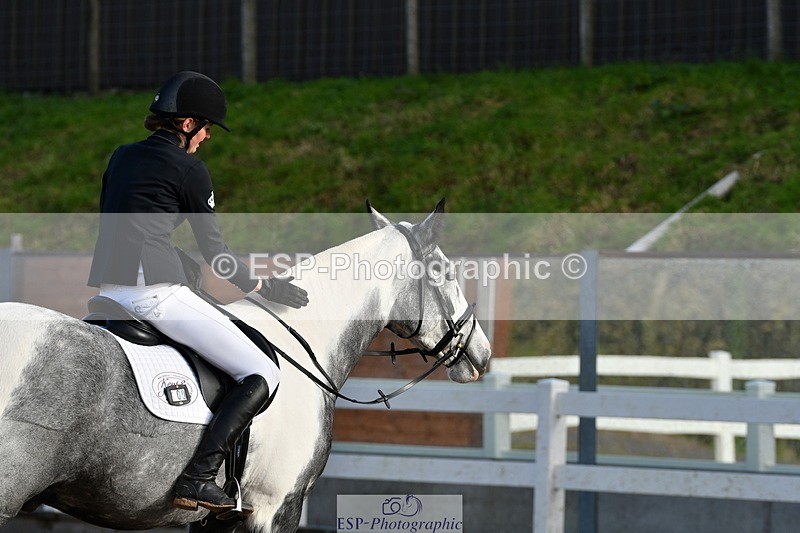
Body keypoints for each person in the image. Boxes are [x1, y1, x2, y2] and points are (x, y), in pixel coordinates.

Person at [87, 71, 308, 514]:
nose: (207, 137)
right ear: (186, 124)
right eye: (206, 128)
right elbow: (217, 255)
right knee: (262, 371)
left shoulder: (121, 156)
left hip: (109, 291)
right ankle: (199, 477)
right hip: (155, 295)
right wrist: (263, 284)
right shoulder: (190, 169)